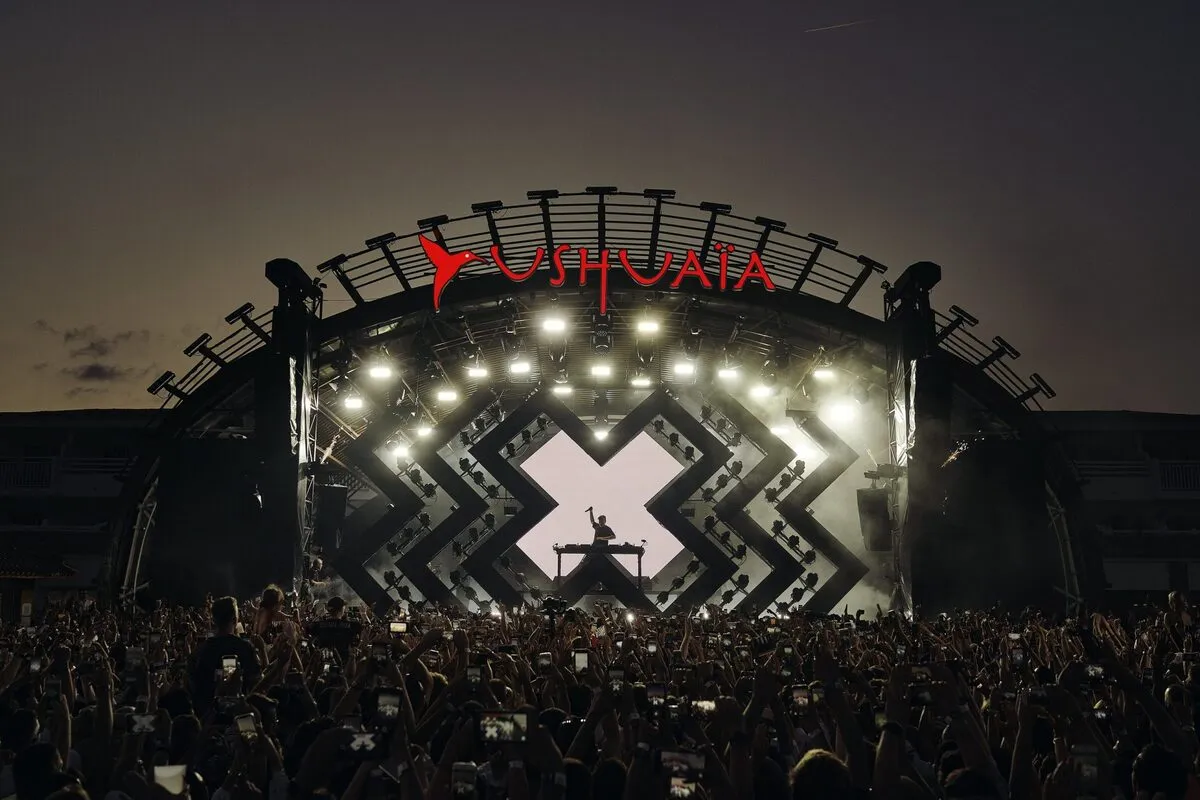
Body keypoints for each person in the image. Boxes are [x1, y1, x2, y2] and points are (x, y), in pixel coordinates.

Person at [187, 595, 262, 714]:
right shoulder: (245, 648)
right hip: (240, 716)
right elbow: (257, 684)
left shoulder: (201, 650)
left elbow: (193, 686)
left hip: (208, 718)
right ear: (235, 618)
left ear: (214, 619)